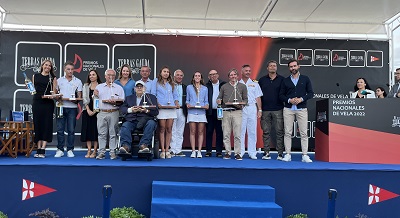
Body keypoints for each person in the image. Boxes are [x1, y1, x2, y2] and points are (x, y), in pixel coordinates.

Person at [279, 59, 314, 163]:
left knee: (303, 133)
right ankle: (288, 154)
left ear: (299, 66)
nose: (293, 68)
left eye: (294, 66)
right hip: (288, 109)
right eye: (291, 66)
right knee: (287, 132)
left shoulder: (305, 79)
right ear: (289, 68)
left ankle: (305, 155)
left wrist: (301, 99)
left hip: (301, 109)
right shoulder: (285, 80)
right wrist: (290, 100)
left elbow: (311, 93)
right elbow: (281, 95)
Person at [119, 81, 159, 154]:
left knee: (151, 123)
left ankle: (144, 145)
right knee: (125, 126)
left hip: (145, 120)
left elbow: (156, 111)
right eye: (138, 87)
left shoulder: (151, 97)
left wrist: (146, 110)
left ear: (145, 88)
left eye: (141, 87)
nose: (139, 88)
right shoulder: (129, 98)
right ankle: (126, 146)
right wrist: (131, 110)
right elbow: (123, 109)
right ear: (134, 89)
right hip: (132, 120)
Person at [217, 69, 248, 161]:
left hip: (237, 112)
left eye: (234, 74)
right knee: (226, 133)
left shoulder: (242, 86)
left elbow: (246, 100)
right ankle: (227, 152)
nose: (233, 76)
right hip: (226, 111)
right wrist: (218, 101)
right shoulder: (224, 86)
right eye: (231, 75)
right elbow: (219, 98)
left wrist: (241, 103)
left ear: (237, 76)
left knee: (237, 134)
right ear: (228, 77)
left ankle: (237, 153)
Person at [94, 69, 125, 160]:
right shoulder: (99, 87)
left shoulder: (119, 88)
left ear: (115, 77)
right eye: (109, 75)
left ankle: (112, 152)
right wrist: (94, 94)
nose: (110, 77)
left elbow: (122, 101)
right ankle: (101, 152)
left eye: (112, 75)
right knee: (101, 134)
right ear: (105, 76)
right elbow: (95, 100)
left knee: (113, 133)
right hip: (102, 112)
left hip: (113, 112)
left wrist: (115, 102)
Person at [55, 61, 83, 158]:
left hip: (72, 108)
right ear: (64, 70)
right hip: (60, 106)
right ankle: (60, 149)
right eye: (68, 69)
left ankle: (70, 149)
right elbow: (55, 94)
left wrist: (76, 100)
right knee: (60, 129)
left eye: (72, 69)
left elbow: (79, 96)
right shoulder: (59, 80)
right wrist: (57, 97)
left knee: (71, 130)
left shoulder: (78, 81)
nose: (70, 71)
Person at [258, 60, 285, 160]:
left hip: (278, 109)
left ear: (276, 68)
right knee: (266, 132)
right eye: (271, 66)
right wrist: (259, 109)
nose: (273, 67)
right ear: (267, 68)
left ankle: (280, 153)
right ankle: (266, 153)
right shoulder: (262, 80)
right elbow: (258, 96)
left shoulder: (282, 79)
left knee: (279, 132)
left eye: (274, 66)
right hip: (265, 110)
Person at [151, 66, 179, 159]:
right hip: (161, 109)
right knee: (162, 128)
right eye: (164, 71)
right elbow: (153, 94)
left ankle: (167, 150)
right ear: (161, 72)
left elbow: (175, 95)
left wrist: (176, 102)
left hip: (171, 108)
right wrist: (157, 103)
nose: (166, 73)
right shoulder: (156, 81)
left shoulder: (172, 83)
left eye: (167, 72)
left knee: (169, 129)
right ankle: (162, 150)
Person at [32, 59, 58, 158]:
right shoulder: (35, 76)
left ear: (51, 68)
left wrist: (52, 96)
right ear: (42, 66)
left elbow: (54, 93)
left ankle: (43, 148)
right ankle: (38, 148)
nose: (47, 67)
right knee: (38, 124)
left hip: (48, 104)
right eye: (46, 65)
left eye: (49, 66)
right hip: (37, 102)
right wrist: (29, 87)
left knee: (46, 125)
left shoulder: (53, 78)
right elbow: (33, 90)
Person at [239, 65, 263, 160]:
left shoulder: (255, 84)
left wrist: (260, 109)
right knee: (241, 131)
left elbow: (258, 97)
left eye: (249, 70)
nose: (248, 72)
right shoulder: (237, 83)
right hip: (241, 109)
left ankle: (252, 152)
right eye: (246, 71)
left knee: (252, 131)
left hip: (252, 108)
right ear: (242, 72)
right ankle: (240, 151)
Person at [186, 71, 209, 158]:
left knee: (200, 132)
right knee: (192, 132)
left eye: (199, 76)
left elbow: (206, 101)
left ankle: (199, 151)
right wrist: (187, 104)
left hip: (201, 112)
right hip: (192, 112)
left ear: (201, 78)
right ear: (193, 77)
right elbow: (187, 100)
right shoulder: (189, 87)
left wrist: (207, 105)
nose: (197, 77)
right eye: (195, 75)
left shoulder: (205, 88)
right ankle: (193, 151)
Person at [81, 69, 102, 158]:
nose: (91, 76)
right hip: (87, 110)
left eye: (93, 74)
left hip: (97, 111)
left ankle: (95, 150)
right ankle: (89, 150)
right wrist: (88, 109)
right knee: (87, 131)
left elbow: (101, 99)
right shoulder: (86, 86)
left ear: (97, 76)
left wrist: (94, 111)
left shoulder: (101, 86)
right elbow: (84, 98)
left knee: (95, 131)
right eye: (90, 75)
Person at [205, 70, 226, 157]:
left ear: (218, 75)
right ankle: (208, 150)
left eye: (214, 74)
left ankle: (219, 151)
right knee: (209, 131)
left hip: (220, 111)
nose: (213, 76)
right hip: (210, 111)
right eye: (211, 75)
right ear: (208, 77)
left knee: (219, 131)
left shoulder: (223, 84)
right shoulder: (206, 86)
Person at [170, 69, 187, 157]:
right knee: (173, 130)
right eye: (178, 75)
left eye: (181, 75)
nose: (179, 77)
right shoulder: (170, 86)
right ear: (174, 76)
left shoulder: (185, 87)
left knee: (180, 131)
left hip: (182, 110)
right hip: (172, 110)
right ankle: (172, 149)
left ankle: (178, 150)